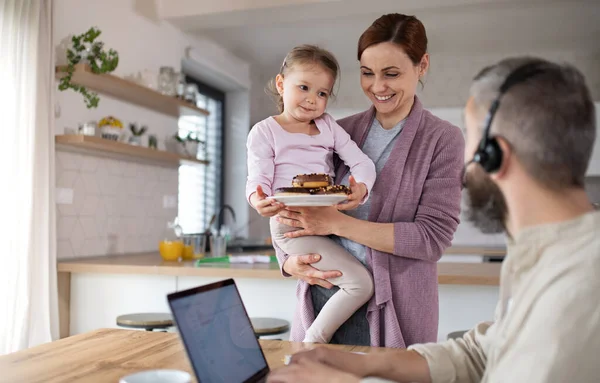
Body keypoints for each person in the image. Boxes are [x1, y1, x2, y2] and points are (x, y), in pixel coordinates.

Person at [267, 57, 600, 383]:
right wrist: (359, 365)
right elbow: (480, 353)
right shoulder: (544, 252)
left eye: (471, 142)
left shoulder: (581, 283)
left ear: (495, 154)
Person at [272, 13, 464, 347]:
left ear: (422, 66)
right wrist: (288, 262)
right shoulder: (336, 131)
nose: (377, 87)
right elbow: (290, 195)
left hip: (396, 309)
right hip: (324, 298)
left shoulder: (442, 140)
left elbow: (432, 238)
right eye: (367, 73)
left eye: (391, 74)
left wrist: (336, 223)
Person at [246, 44, 377, 343]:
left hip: (324, 218)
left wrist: (361, 187)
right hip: (291, 222)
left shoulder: (327, 126)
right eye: (303, 87)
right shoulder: (265, 132)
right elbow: (258, 180)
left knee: (356, 282)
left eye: (322, 93)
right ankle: (313, 340)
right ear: (281, 84)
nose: (312, 100)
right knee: (360, 284)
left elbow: (362, 162)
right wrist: (258, 200)